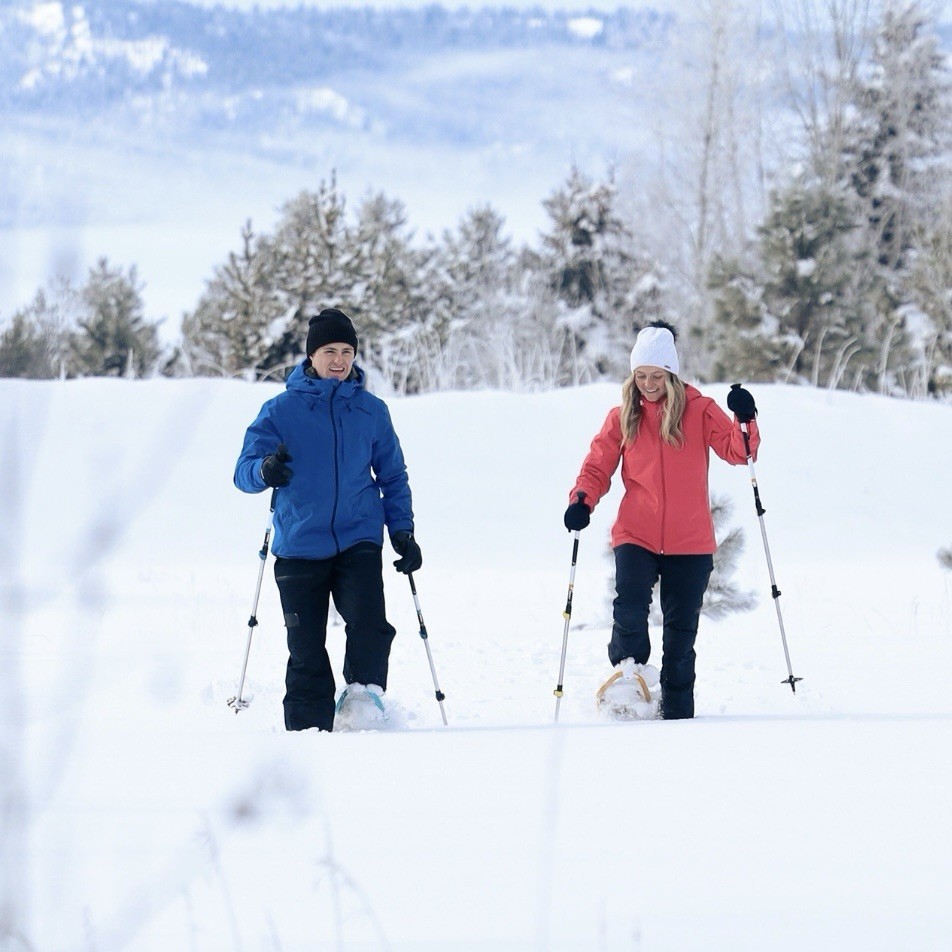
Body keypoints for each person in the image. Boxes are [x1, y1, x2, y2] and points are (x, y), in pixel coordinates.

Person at [234, 307, 422, 732]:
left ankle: (362, 702)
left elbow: (392, 476)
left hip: (358, 537)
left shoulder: (372, 411)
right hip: (299, 543)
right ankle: (306, 728)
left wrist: (403, 531)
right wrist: (265, 470)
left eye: (347, 351)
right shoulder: (280, 410)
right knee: (305, 646)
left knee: (370, 624)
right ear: (311, 356)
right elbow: (242, 471)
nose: (339, 360)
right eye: (329, 351)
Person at [563, 320, 759, 720]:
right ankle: (627, 678)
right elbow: (597, 466)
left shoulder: (701, 411)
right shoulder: (622, 417)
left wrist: (745, 417)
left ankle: (677, 715)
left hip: (691, 541)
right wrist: (582, 500)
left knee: (681, 638)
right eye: (641, 376)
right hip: (637, 531)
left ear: (671, 374)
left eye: (656, 376)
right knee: (630, 608)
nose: (648, 384)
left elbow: (740, 452)